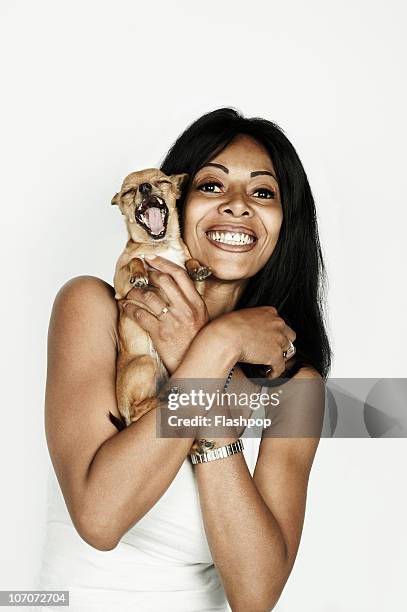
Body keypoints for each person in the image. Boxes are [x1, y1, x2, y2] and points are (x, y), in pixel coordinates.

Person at [34, 107, 331, 612]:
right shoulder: (93, 309)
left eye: (263, 192)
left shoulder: (296, 386)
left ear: (286, 225)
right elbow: (100, 519)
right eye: (212, 186)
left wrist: (205, 360)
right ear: (175, 201)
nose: (237, 206)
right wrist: (217, 346)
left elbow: (255, 595)